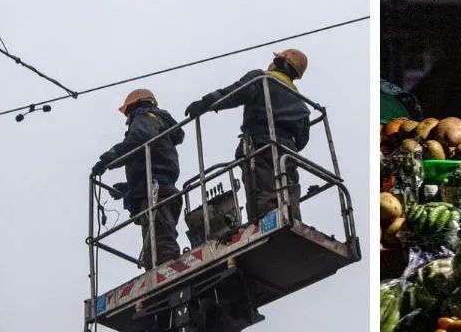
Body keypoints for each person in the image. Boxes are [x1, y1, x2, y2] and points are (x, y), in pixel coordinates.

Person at [184, 49, 311, 223]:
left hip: (260, 144)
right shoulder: (300, 101)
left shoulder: (262, 79)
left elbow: (235, 93)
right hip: (288, 151)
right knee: (288, 188)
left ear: (282, 63)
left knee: (262, 190)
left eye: (276, 59)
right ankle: (292, 222)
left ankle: (267, 225)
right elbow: (303, 139)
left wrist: (206, 103)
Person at [93, 89, 186, 269]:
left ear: (137, 105)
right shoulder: (159, 125)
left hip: (156, 194)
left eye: (128, 114)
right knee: (156, 249)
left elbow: (139, 139)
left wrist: (109, 158)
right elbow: (155, 164)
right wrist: (129, 188)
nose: (127, 120)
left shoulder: (145, 117)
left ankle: (168, 280)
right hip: (160, 190)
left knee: (162, 252)